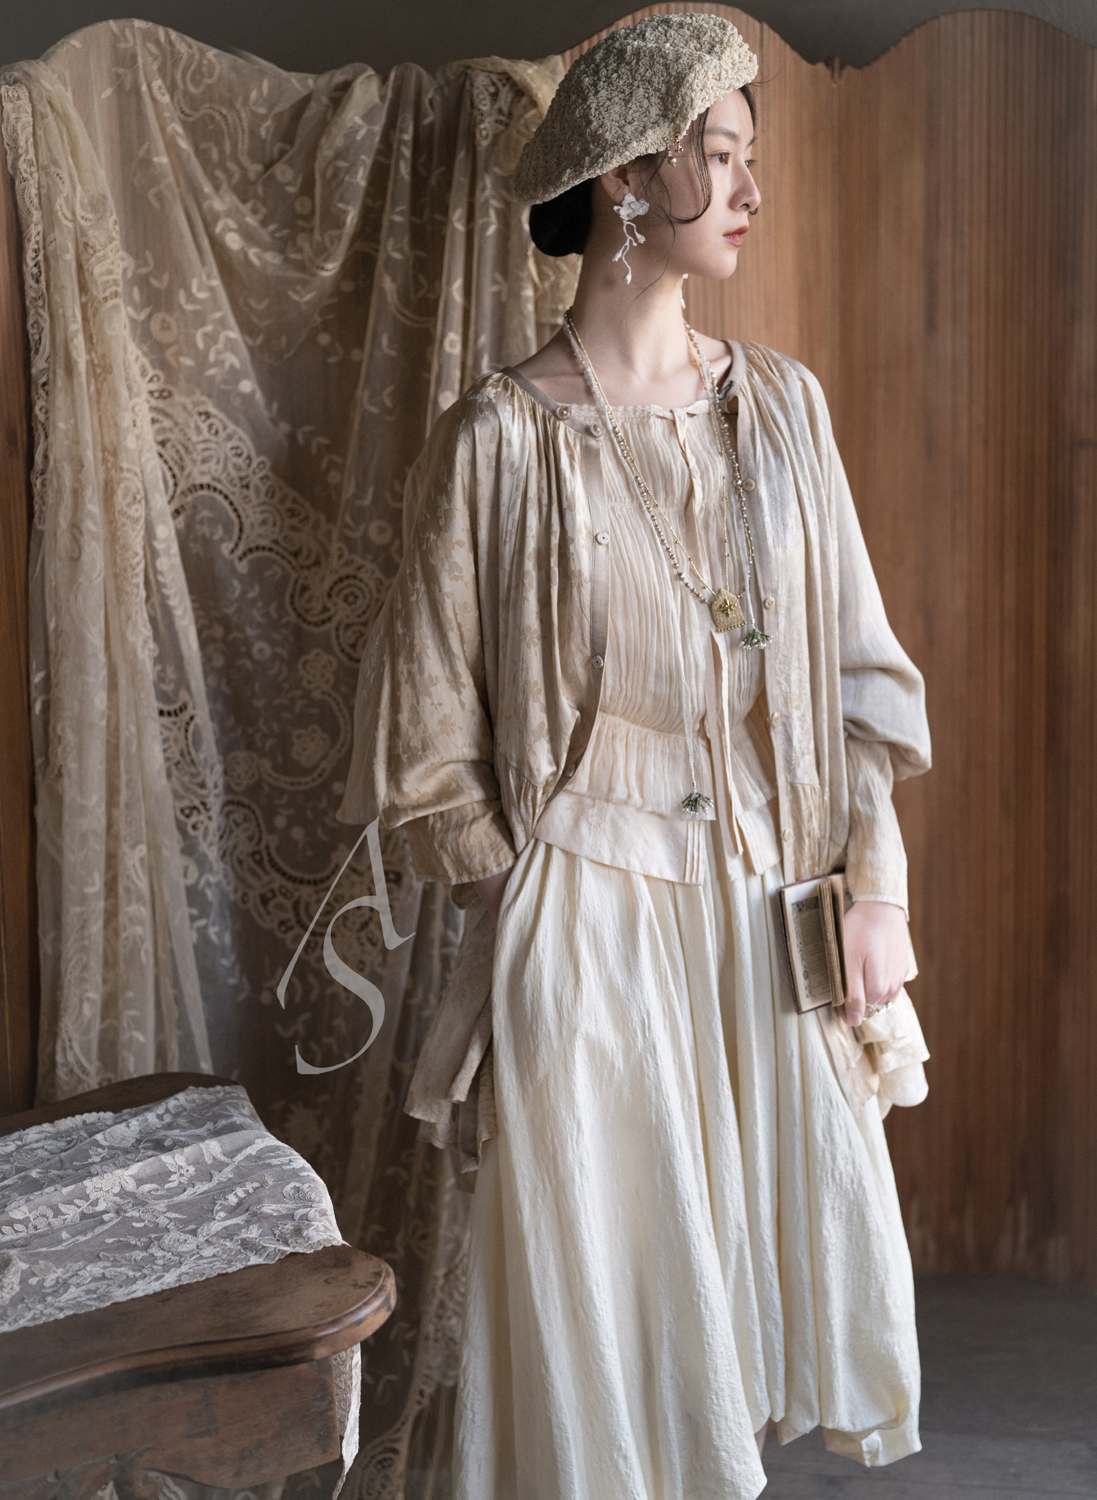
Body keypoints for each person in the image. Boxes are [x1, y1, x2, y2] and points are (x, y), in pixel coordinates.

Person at [342, 15, 932, 1498]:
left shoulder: (782, 411)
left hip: (761, 903)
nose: (749, 191)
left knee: (736, 1297)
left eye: (749, 158)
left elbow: (860, 678)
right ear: (623, 177)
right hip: (585, 916)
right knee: (601, 1308)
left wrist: (873, 885)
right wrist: (526, 913)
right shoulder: (495, 442)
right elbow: (421, 749)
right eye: (717, 156)